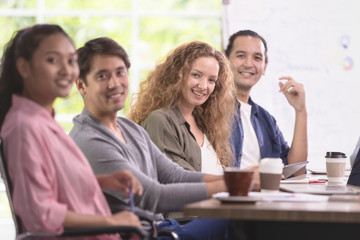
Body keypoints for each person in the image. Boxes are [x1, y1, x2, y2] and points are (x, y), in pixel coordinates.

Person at [69, 37, 239, 239]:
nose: (115, 83)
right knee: (238, 223)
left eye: (120, 72)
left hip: (162, 228)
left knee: (242, 222)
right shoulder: (89, 140)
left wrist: (238, 180)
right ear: (81, 86)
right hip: (144, 234)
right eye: (102, 76)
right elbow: (152, 196)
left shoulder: (129, 128)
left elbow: (175, 176)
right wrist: (232, 186)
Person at [0, 24, 143, 239]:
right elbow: (40, 214)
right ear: (24, 68)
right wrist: (112, 221)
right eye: (52, 60)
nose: (67, 70)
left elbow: (50, 184)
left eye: (70, 61)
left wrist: (101, 181)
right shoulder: (24, 127)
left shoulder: (42, 121)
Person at [128, 41, 235, 174]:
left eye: (211, 80)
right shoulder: (160, 120)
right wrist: (232, 181)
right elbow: (178, 178)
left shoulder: (206, 123)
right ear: (177, 75)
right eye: (196, 75)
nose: (203, 86)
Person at [224, 30, 308, 179]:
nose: (249, 64)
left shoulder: (266, 119)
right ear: (225, 60)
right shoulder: (210, 110)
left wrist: (300, 110)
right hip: (230, 197)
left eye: (257, 57)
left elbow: (296, 172)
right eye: (241, 55)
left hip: (265, 198)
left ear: (265, 66)